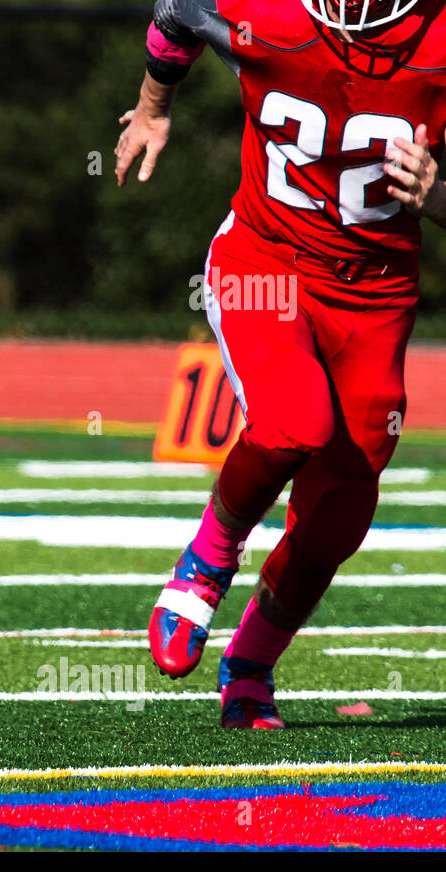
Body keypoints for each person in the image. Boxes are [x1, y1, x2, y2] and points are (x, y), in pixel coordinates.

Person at [116, 0, 446, 727]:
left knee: (342, 511)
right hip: (265, 265)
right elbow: (175, 16)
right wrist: (151, 109)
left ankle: (252, 664)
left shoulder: (436, 38)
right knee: (293, 421)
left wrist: (439, 194)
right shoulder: (262, 11)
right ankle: (209, 556)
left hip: (375, 296)